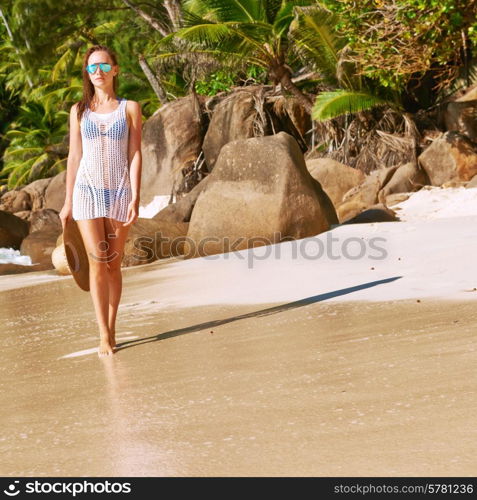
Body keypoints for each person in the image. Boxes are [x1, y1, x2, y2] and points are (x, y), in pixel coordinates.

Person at [59, 44, 142, 357]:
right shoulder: (79, 111)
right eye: (92, 68)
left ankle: (113, 326)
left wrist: (135, 195)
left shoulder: (130, 108)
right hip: (87, 192)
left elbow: (135, 153)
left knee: (113, 265)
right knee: (97, 263)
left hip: (120, 191)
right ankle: (103, 335)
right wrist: (67, 202)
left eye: (104, 66)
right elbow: (74, 156)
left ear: (115, 70)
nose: (97, 72)